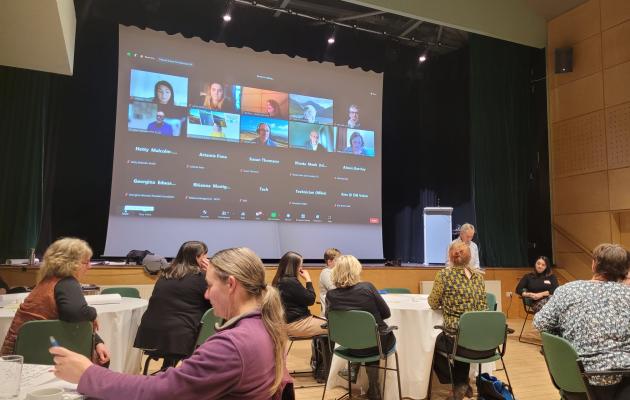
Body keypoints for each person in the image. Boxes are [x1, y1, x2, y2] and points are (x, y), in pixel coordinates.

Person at [50, 247, 292, 400]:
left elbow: (159, 392)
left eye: (209, 286)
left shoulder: (233, 345)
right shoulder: (266, 326)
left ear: (230, 284)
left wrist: (88, 374)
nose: (206, 295)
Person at [534, 243, 630, 400]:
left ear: (594, 265)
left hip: (578, 379)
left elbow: (540, 323)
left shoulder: (568, 290)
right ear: (625, 270)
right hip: (625, 382)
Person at [1, 238, 110, 367]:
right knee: (103, 361)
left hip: (18, 354)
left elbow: (69, 318)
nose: (90, 267)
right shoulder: (67, 283)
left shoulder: (48, 282)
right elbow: (75, 313)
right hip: (38, 359)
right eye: (86, 262)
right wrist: (93, 313)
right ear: (71, 263)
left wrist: (98, 341)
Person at [133, 241, 211, 370]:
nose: (206, 259)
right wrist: (211, 273)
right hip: (182, 340)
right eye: (205, 256)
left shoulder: (165, 274)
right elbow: (214, 303)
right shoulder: (202, 278)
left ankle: (168, 368)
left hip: (150, 336)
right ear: (198, 257)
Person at [326, 255, 395, 400]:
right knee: (373, 338)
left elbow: (330, 319)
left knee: (365, 338)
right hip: (377, 344)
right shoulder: (367, 287)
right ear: (356, 270)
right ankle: (374, 388)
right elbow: (386, 313)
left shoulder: (331, 295)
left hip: (350, 345)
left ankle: (356, 372)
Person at [428, 242, 488, 400]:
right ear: (470, 257)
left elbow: (433, 303)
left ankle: (458, 383)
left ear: (450, 256)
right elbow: (483, 307)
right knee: (463, 340)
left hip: (457, 336)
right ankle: (462, 383)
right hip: (482, 338)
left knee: (429, 344)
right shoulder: (479, 277)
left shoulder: (444, 275)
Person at [272, 251, 326, 338]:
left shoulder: (279, 280)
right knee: (334, 328)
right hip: (297, 324)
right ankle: (325, 351)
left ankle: (321, 350)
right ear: (293, 266)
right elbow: (311, 300)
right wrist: (308, 280)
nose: (301, 268)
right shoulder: (289, 282)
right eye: (300, 265)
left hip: (289, 322)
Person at [318, 248, 340, 315]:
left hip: (335, 309)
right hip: (329, 313)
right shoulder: (326, 272)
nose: (340, 262)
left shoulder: (336, 272)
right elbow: (334, 290)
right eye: (337, 260)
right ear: (329, 262)